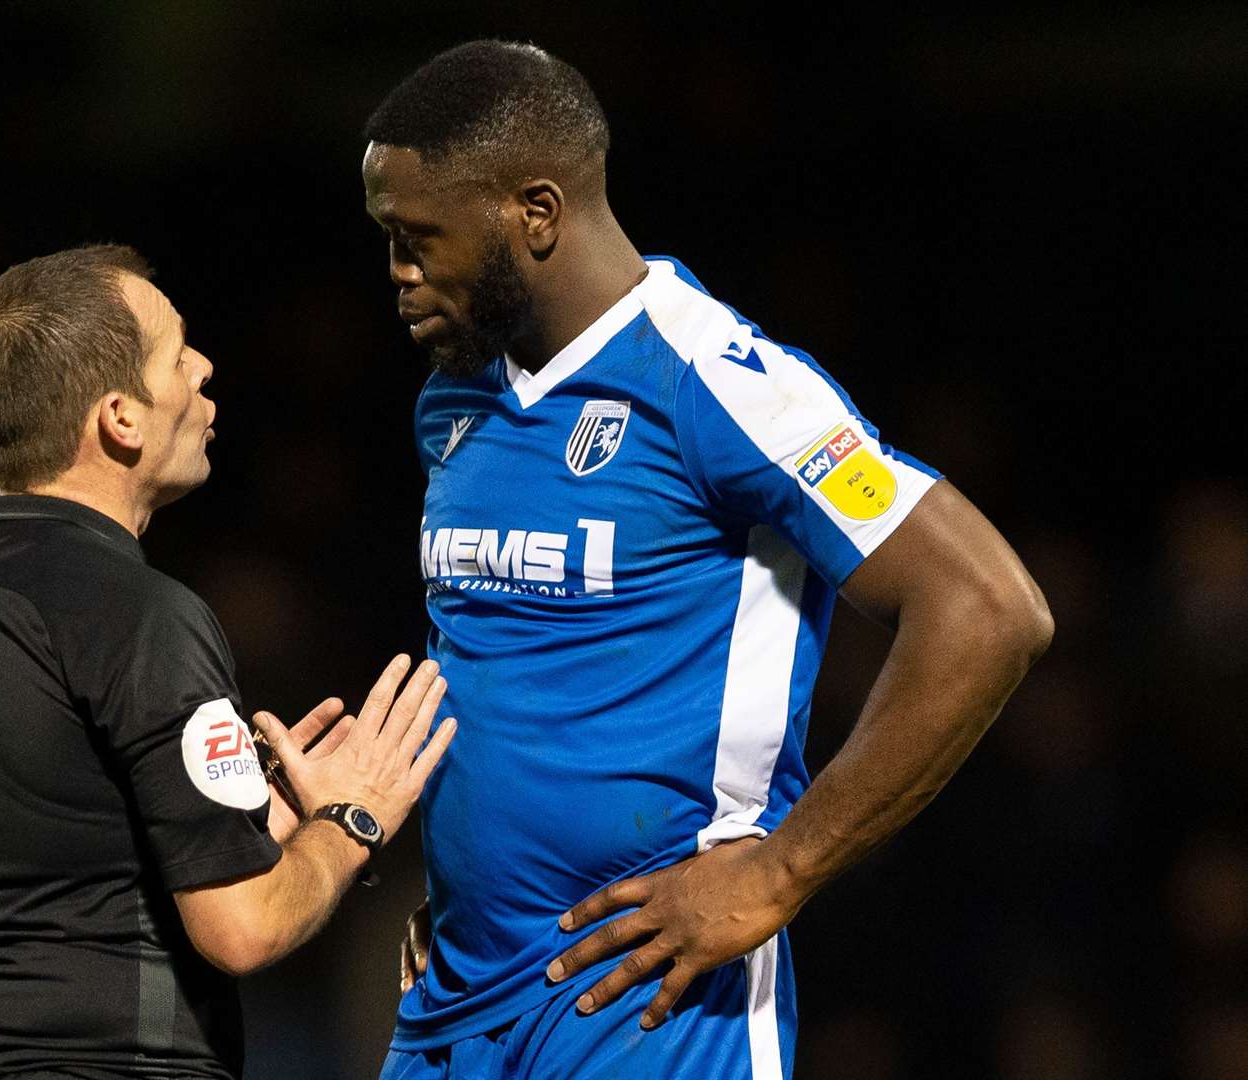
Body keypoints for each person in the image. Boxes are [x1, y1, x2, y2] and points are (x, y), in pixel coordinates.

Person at [360, 42, 1053, 1079]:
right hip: (457, 997)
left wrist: (781, 873)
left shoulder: (718, 384)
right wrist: (476, 884)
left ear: (536, 213)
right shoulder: (454, 395)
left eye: (418, 240)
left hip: (650, 1005)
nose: (398, 275)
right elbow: (508, 666)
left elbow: (991, 609)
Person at [0, 244, 457, 1080]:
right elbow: (242, 926)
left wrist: (251, 833)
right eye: (177, 354)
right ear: (121, 419)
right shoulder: (142, 618)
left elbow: (41, 882)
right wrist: (348, 823)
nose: (206, 368)